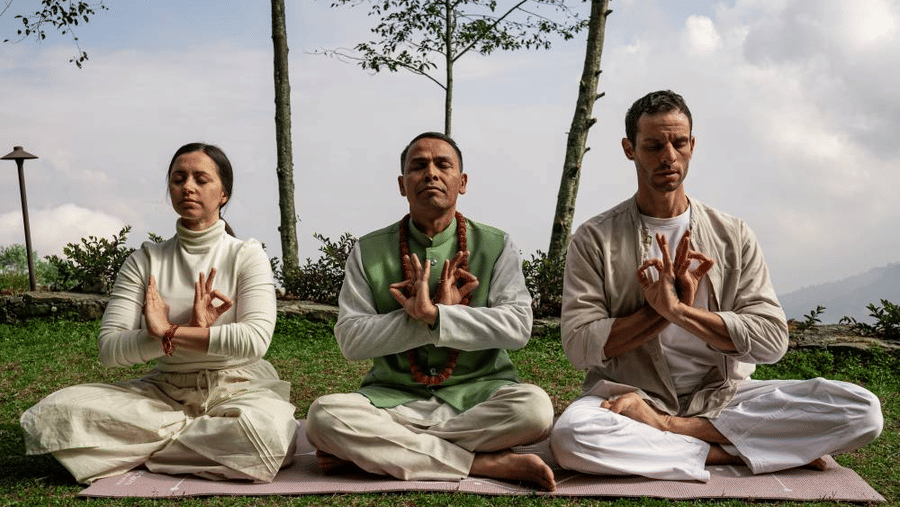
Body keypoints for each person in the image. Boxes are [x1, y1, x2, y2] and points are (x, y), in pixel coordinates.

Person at [550, 90, 883, 482]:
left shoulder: (732, 234)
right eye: (654, 146)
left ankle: (676, 433)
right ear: (630, 149)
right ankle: (731, 452)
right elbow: (578, 345)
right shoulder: (595, 238)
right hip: (631, 395)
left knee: (861, 410)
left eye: (678, 143)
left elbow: (773, 341)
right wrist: (655, 313)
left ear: (693, 145)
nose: (668, 157)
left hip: (726, 397)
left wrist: (681, 313)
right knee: (572, 436)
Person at [20, 143, 297, 484]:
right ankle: (200, 443)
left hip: (237, 389)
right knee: (53, 414)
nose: (188, 187)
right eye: (179, 179)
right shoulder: (145, 261)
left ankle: (139, 449)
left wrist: (168, 331)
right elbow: (109, 350)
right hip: (163, 395)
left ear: (223, 193)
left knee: (267, 435)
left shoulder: (246, 254)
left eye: (201, 179)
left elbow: (255, 341)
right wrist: (171, 335)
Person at [305, 132, 556, 491]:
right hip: (392, 400)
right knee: (324, 417)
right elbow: (351, 340)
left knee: (535, 410)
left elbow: (517, 328)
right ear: (402, 185)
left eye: (443, 165)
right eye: (418, 166)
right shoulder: (369, 250)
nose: (431, 174)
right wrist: (420, 318)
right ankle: (482, 463)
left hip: (480, 396)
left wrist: (438, 317)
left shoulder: (497, 244)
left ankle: (390, 450)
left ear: (462, 182)